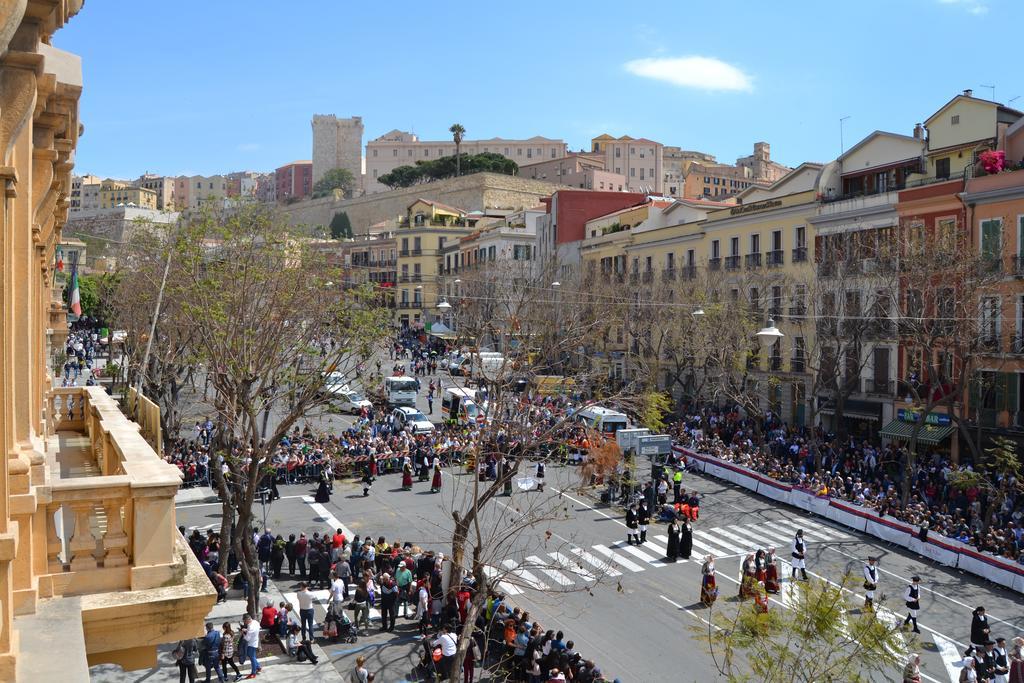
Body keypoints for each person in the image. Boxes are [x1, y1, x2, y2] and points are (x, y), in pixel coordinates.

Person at [242, 614, 261, 679]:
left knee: (252, 657)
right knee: (253, 656)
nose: (244, 622)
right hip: (255, 641)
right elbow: (254, 631)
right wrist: (246, 630)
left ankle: (253, 673)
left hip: (251, 644)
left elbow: (247, 638)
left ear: (247, 620)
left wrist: (243, 634)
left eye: (245, 621)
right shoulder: (255, 622)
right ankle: (258, 667)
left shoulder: (250, 627)